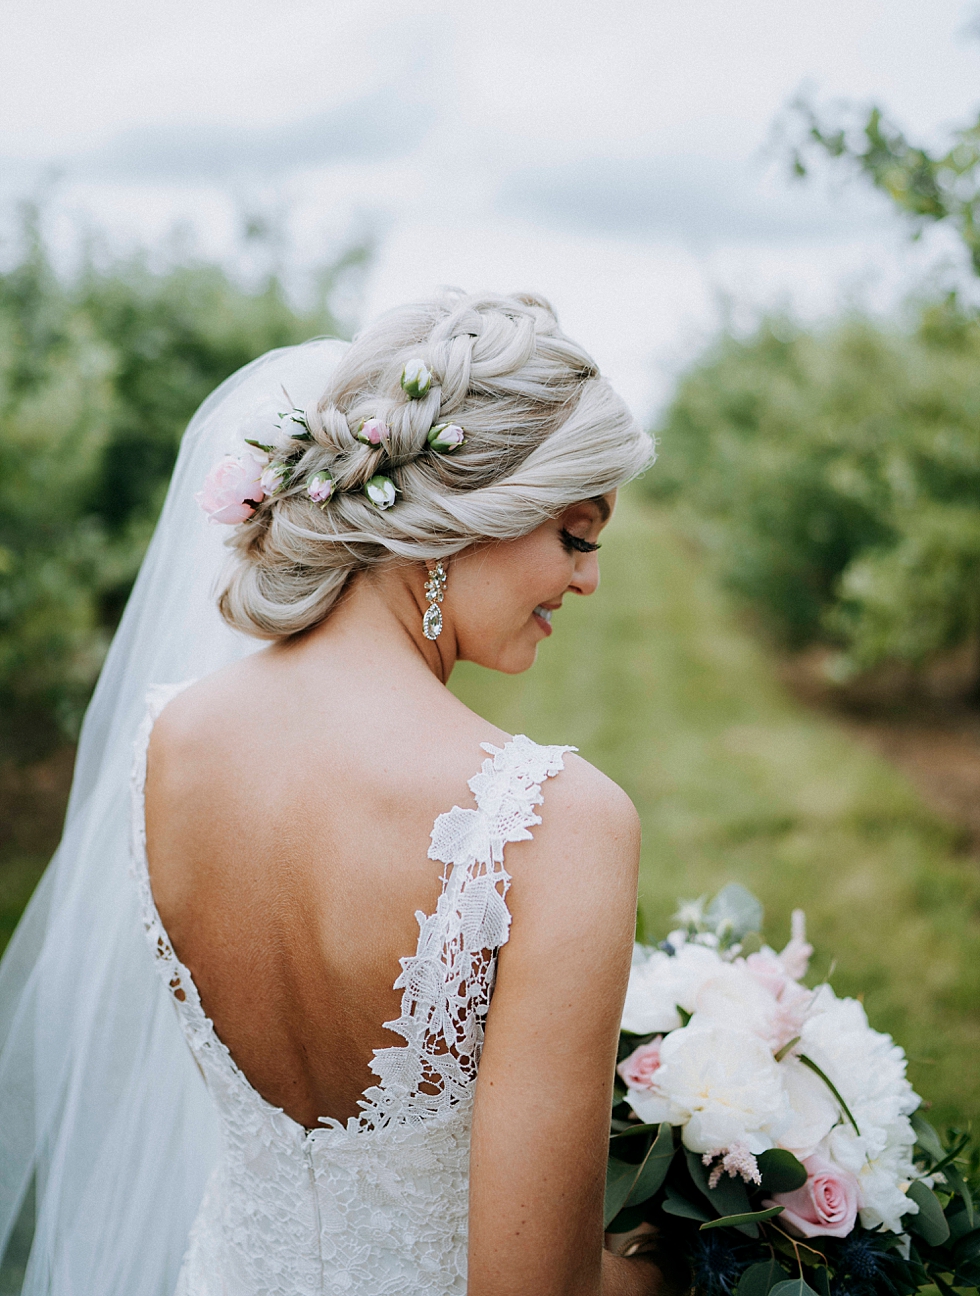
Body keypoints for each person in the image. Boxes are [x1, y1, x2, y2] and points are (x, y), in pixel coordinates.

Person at [0, 290, 665, 1296]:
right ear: (459, 520)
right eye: (574, 536)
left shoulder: (168, 740)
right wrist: (692, 1262)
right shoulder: (558, 824)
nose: (587, 581)